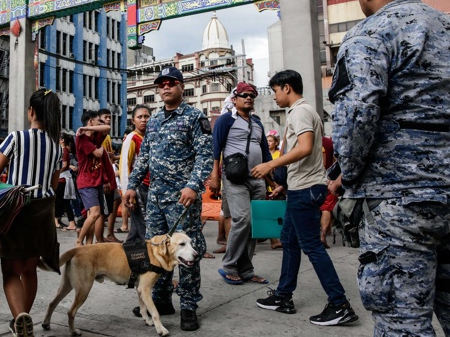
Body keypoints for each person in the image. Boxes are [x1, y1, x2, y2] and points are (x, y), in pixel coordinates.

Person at [328, 0, 449, 335]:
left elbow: (357, 115)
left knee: (403, 323)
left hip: (401, 201)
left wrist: (348, 173)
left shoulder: (369, 34)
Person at [251, 70, 358, 326]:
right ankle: (283, 295)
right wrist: (284, 185)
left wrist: (269, 166)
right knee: (289, 240)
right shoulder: (303, 111)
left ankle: (339, 303)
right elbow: (306, 156)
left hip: (306, 189)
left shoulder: (300, 111)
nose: (274, 96)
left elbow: (305, 147)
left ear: (287, 88)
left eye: (275, 90)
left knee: (311, 246)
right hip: (300, 187)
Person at [122, 66, 212, 332]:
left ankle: (188, 306)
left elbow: (205, 156)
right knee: (156, 250)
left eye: (171, 83)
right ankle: (160, 300)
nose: (165, 87)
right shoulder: (156, 120)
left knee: (187, 253)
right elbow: (145, 157)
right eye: (161, 84)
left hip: (182, 200)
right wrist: (131, 185)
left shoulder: (195, 117)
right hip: (156, 200)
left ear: (181, 87)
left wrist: (193, 186)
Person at [0, 88, 62, 337]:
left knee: (11, 271)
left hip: (16, 211)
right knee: (29, 269)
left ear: (31, 112)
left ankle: (19, 317)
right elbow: (53, 187)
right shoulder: (56, 147)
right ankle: (23, 318)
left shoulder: (17, 137)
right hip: (42, 213)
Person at [209, 82, 274, 285]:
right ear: (235, 99)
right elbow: (216, 148)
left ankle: (246, 269)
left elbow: (265, 151)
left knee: (255, 225)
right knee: (242, 219)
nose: (249, 98)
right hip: (235, 178)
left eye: (252, 96)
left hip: (257, 178)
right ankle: (229, 265)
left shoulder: (257, 123)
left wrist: (272, 180)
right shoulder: (225, 120)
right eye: (244, 95)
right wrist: (215, 176)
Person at [74, 110, 114, 247]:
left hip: (96, 180)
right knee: (95, 214)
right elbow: (97, 153)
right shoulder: (81, 138)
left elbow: (108, 128)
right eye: (99, 121)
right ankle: (79, 241)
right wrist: (101, 150)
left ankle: (89, 244)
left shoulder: (95, 135)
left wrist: (88, 128)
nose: (101, 123)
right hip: (86, 181)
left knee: (93, 215)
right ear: (91, 120)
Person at [119, 104, 151, 242]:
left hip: (149, 187)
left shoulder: (149, 137)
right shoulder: (132, 138)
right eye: (140, 117)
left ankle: (128, 255)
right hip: (138, 187)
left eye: (146, 116)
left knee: (137, 227)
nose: (143, 120)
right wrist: (128, 192)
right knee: (144, 226)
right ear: (133, 121)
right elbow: (125, 166)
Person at [98, 109, 122, 243]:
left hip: (109, 174)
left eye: (110, 117)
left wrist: (112, 156)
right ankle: (99, 237)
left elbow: (108, 157)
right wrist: (104, 179)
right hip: (104, 176)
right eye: (106, 117)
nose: (109, 120)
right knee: (100, 210)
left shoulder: (107, 137)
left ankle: (109, 233)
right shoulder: (98, 136)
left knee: (116, 200)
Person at [56, 132, 77, 231]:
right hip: (64, 178)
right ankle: (66, 222)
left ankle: (59, 221)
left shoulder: (63, 151)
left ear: (62, 140)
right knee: (63, 201)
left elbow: (64, 165)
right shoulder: (64, 150)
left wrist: (55, 173)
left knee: (61, 201)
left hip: (62, 178)